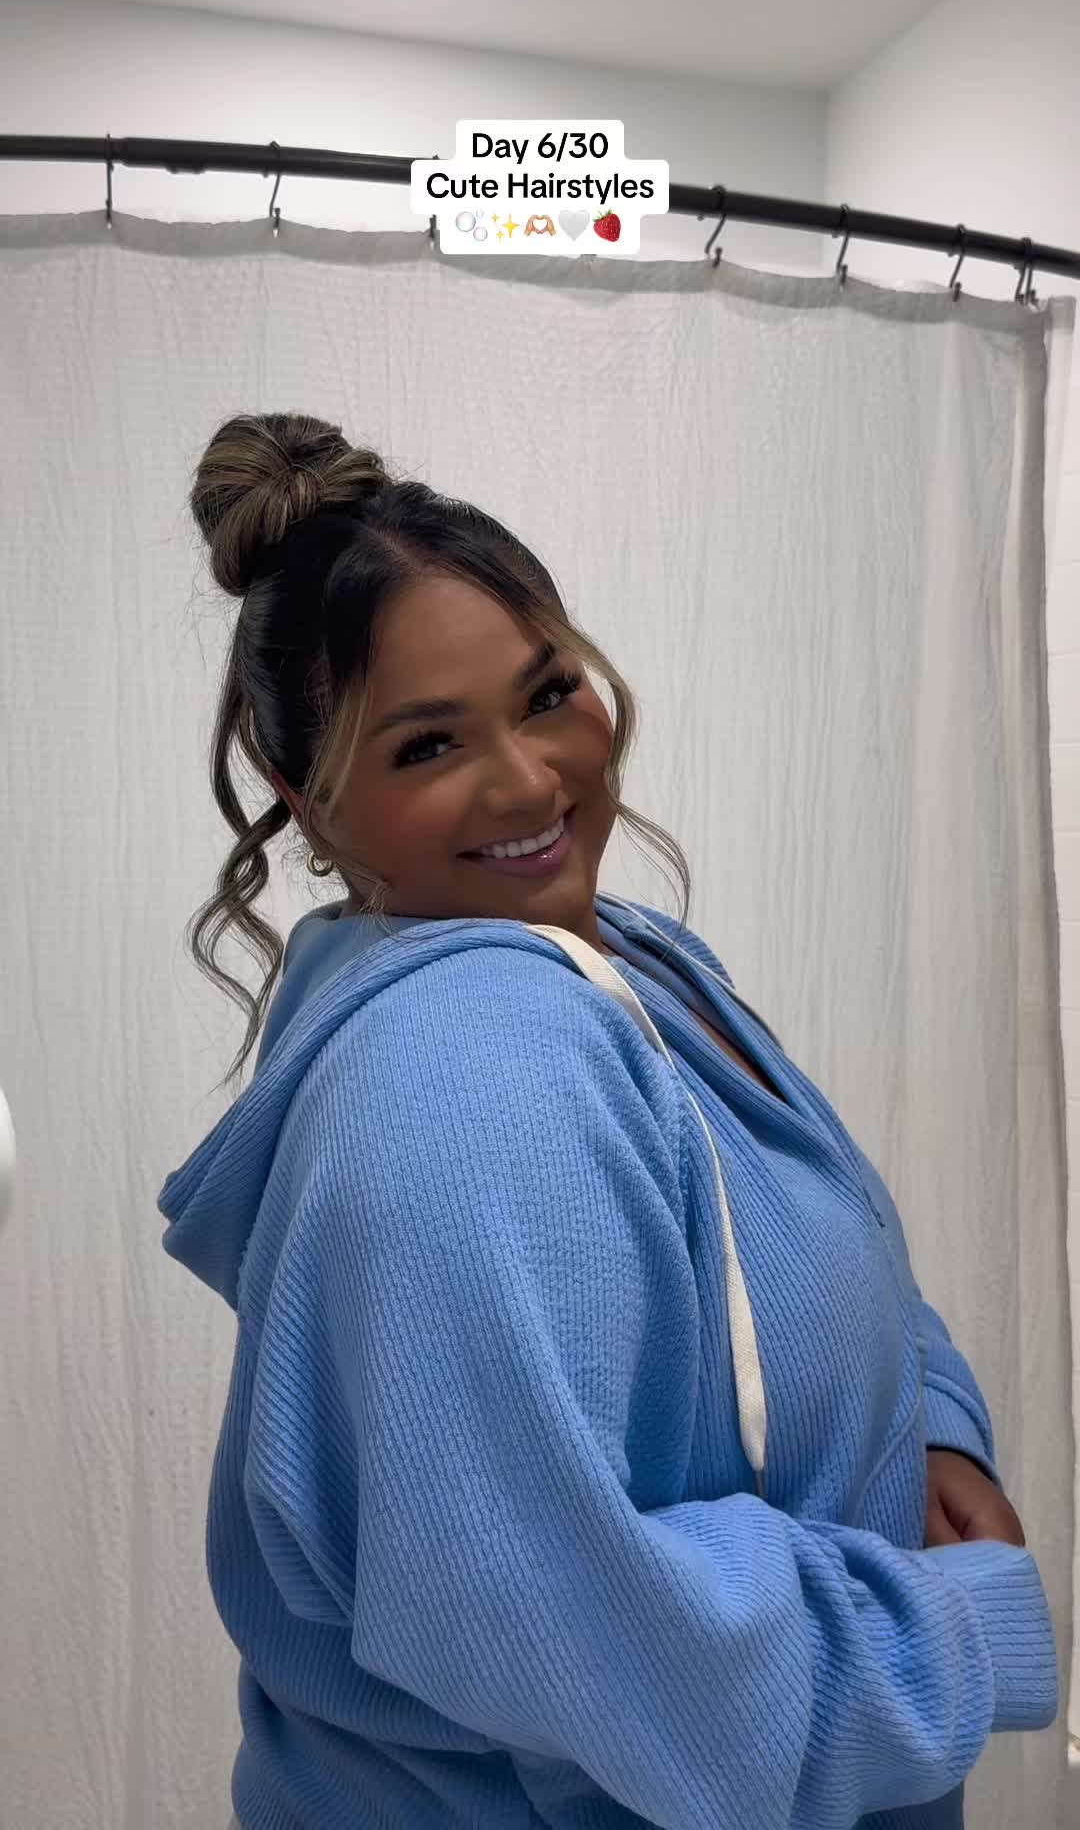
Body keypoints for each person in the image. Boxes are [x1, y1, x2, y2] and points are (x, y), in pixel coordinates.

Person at [159, 412, 1058, 1830]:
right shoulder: (464, 1078)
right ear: (304, 800)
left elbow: (820, 1218)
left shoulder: (621, 951)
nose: (532, 782)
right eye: (428, 745)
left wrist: (929, 1435)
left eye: (546, 693)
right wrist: (954, 1634)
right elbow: (567, 1630)